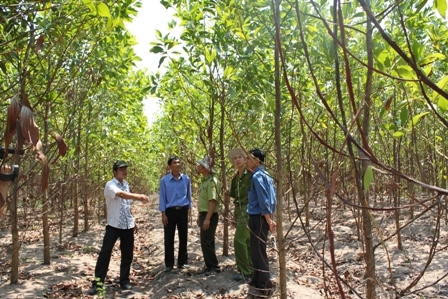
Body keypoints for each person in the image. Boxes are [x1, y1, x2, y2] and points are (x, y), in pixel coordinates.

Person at [88, 160, 149, 295]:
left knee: (127, 254)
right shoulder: (110, 185)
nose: (124, 171)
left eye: (125, 169)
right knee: (105, 253)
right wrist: (139, 196)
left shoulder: (126, 185)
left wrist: (132, 220)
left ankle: (124, 280)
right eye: (121, 169)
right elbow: (121, 195)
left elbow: (126, 205)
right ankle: (97, 283)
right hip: (114, 225)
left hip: (127, 225)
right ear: (114, 172)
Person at [246, 148, 277, 297]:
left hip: (258, 217)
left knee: (258, 251)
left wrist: (268, 219)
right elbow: (271, 198)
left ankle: (265, 284)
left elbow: (264, 200)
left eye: (249, 158)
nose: (246, 161)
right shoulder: (266, 175)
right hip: (261, 217)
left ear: (257, 160)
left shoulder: (257, 177)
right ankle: (256, 278)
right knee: (255, 249)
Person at [159, 156, 192, 272]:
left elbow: (189, 195)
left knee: (183, 236)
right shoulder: (164, 181)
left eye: (179, 162)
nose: (177, 164)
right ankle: (169, 263)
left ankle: (182, 262)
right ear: (169, 166)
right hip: (170, 211)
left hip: (183, 210)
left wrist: (189, 210)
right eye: (174, 162)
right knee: (169, 237)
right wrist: (163, 214)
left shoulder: (186, 179)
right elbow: (162, 197)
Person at [228, 148, 253, 282]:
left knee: (239, 240)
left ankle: (245, 271)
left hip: (248, 209)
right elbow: (234, 198)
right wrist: (234, 215)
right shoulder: (235, 178)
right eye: (235, 158)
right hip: (239, 209)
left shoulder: (250, 175)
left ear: (245, 159)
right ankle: (250, 268)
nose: (237, 160)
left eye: (240, 157)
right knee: (246, 240)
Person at [196, 156, 222, 276]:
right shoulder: (204, 181)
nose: (199, 167)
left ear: (207, 168)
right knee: (207, 241)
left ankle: (214, 267)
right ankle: (209, 266)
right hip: (204, 214)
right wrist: (200, 216)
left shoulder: (212, 181)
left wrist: (207, 219)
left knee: (206, 241)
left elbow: (213, 201)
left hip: (209, 215)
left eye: (201, 165)